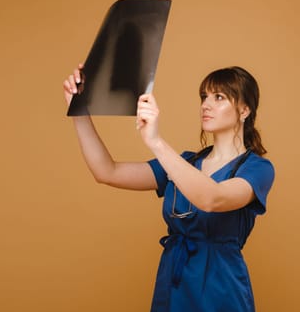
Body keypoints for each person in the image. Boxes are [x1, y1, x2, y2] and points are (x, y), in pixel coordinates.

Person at [63, 64, 275, 312]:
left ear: (244, 110)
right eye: (204, 96)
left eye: (219, 97)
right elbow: (106, 171)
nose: (206, 104)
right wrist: (78, 110)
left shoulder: (257, 169)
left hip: (220, 288)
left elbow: (213, 199)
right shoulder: (183, 163)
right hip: (173, 284)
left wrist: (155, 141)